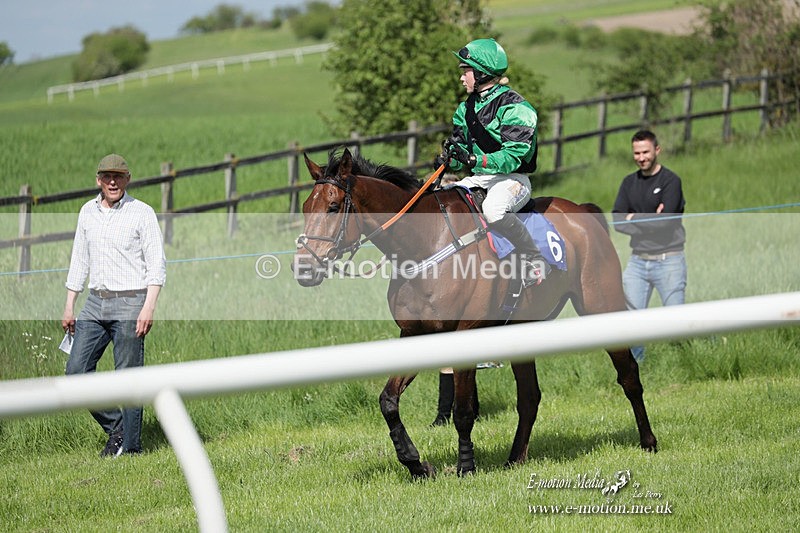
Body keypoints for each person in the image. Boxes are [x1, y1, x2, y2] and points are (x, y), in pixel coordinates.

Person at [62, 154, 166, 457]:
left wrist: (148, 306)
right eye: (107, 176)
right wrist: (70, 304)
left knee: (128, 377)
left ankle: (132, 449)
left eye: (118, 176)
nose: (112, 181)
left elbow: (156, 264)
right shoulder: (87, 212)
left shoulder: (142, 213)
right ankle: (118, 428)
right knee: (76, 372)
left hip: (131, 302)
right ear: (98, 180)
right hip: (95, 303)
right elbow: (79, 259)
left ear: (127, 179)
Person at [434, 37, 550, 286]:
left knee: (494, 211)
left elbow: (515, 155)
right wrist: (449, 160)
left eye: (465, 72)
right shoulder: (465, 109)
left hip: (513, 179)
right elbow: (461, 151)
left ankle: (533, 259)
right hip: (480, 178)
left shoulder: (517, 108)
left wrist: (475, 158)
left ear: (481, 73)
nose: (462, 78)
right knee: (442, 201)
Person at [612, 130, 686, 362]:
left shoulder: (671, 181)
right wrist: (650, 218)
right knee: (632, 321)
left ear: (657, 150)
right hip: (638, 261)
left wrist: (633, 218)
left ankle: (682, 364)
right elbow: (617, 220)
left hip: (669, 260)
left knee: (676, 322)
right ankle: (638, 369)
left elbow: (666, 222)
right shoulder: (628, 183)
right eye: (637, 153)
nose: (641, 157)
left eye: (645, 152)